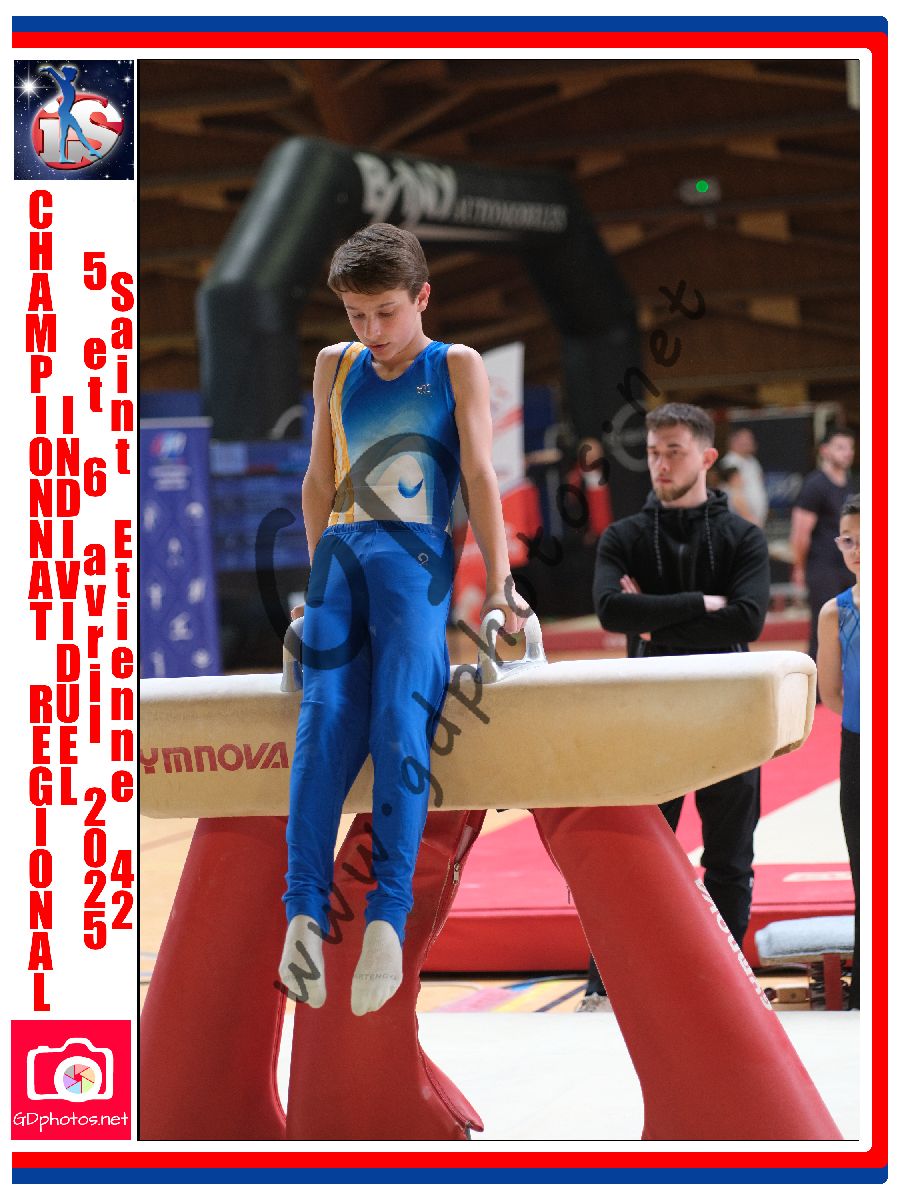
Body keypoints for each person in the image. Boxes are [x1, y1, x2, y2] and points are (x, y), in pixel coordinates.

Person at [278, 223, 527, 1017]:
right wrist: (316, 582)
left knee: (398, 715)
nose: (372, 331)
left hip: (415, 559)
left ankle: (387, 912)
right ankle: (303, 910)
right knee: (324, 718)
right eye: (356, 314)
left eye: (386, 312)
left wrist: (501, 585)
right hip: (340, 558)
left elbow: (480, 476)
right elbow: (319, 481)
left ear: (422, 297)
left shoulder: (453, 365)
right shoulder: (335, 363)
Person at [578, 402, 770, 1010]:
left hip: (727, 714)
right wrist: (705, 605)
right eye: (653, 453)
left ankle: (726, 991)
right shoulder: (625, 537)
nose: (660, 464)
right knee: (632, 864)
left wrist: (655, 620)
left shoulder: (742, 537)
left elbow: (749, 619)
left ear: (707, 457)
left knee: (729, 862)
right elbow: (611, 610)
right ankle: (606, 987)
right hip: (648, 718)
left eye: (674, 452)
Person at [815, 495, 860, 1009]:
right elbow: (831, 693)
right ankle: (870, 982)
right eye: (847, 540)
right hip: (860, 747)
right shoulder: (836, 612)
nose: (855, 550)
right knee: (865, 866)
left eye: (866, 540)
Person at [790, 428, 856, 663]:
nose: (847, 452)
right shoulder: (815, 485)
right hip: (822, 567)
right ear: (825, 450)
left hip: (849, 566)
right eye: (840, 447)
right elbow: (800, 533)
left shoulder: (851, 484)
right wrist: (799, 568)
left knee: (853, 628)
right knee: (824, 629)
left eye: (850, 447)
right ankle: (816, 683)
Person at [720, 426, 768, 527]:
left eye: (750, 440)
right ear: (734, 442)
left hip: (754, 521)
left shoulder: (752, 461)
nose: (749, 443)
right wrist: (749, 517)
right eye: (745, 440)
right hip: (739, 521)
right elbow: (735, 494)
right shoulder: (730, 462)